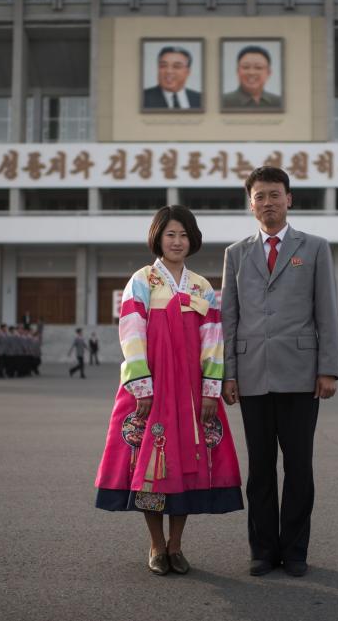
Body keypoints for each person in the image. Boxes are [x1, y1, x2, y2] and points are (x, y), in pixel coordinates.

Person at [95, 205, 243, 577]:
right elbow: (131, 334)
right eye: (170, 234)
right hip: (152, 389)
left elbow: (213, 342)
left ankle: (176, 546)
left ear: (193, 240)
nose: (177, 241)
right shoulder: (142, 281)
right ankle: (156, 545)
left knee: (187, 466)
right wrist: (142, 386)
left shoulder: (202, 287)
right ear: (158, 238)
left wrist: (211, 391)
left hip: (192, 394)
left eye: (183, 234)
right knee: (151, 465)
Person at [221, 166, 338, 578]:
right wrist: (228, 374)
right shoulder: (235, 254)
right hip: (252, 375)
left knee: (299, 468)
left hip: (302, 375)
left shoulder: (316, 247)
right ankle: (263, 549)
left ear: (289, 199)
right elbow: (229, 317)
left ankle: (295, 550)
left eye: (275, 194)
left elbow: (326, 311)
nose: (267, 202)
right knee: (259, 470)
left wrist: (328, 369)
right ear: (249, 203)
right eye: (259, 196)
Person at [143, 46, 202, 110]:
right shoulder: (143, 98)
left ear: (188, 72)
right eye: (163, 66)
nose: (169, 71)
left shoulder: (200, 99)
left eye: (176, 66)